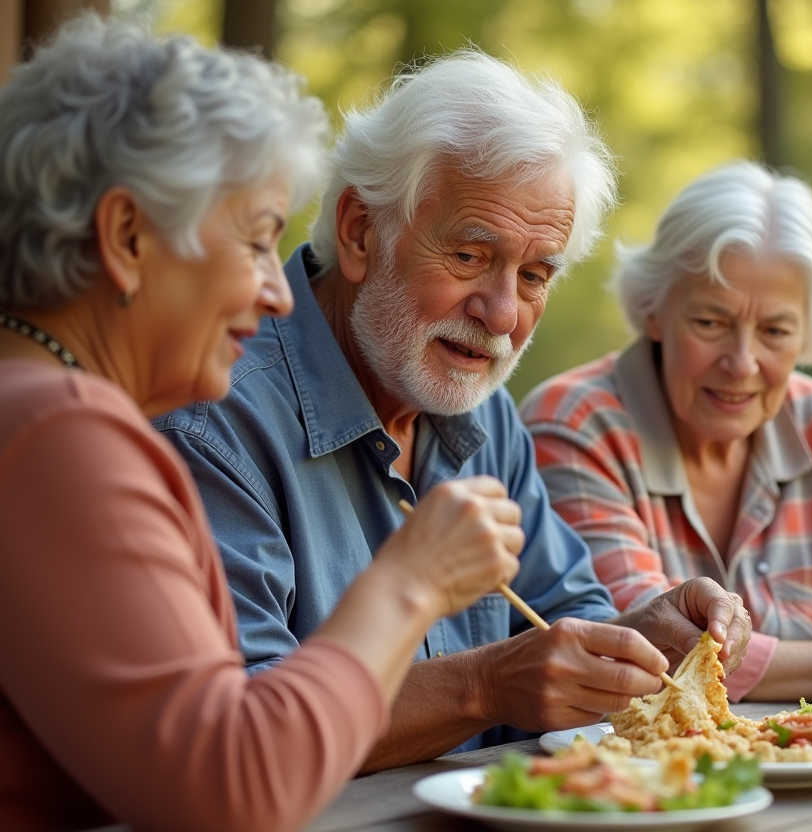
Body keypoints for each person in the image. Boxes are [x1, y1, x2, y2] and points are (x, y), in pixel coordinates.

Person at [153, 48, 750, 771]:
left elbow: (561, 617)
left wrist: (639, 639)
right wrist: (484, 686)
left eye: (535, 275)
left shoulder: (482, 407)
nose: (502, 315)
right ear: (359, 233)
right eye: (470, 256)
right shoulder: (213, 416)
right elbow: (241, 736)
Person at [0, 17, 525, 832]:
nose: (279, 292)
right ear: (128, 237)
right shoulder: (57, 432)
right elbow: (231, 784)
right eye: (254, 242)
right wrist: (411, 581)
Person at [520, 160, 812, 703]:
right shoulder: (576, 422)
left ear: (807, 334)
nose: (742, 362)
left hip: (803, 771)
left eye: (775, 330)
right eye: (711, 323)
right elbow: (652, 648)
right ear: (655, 312)